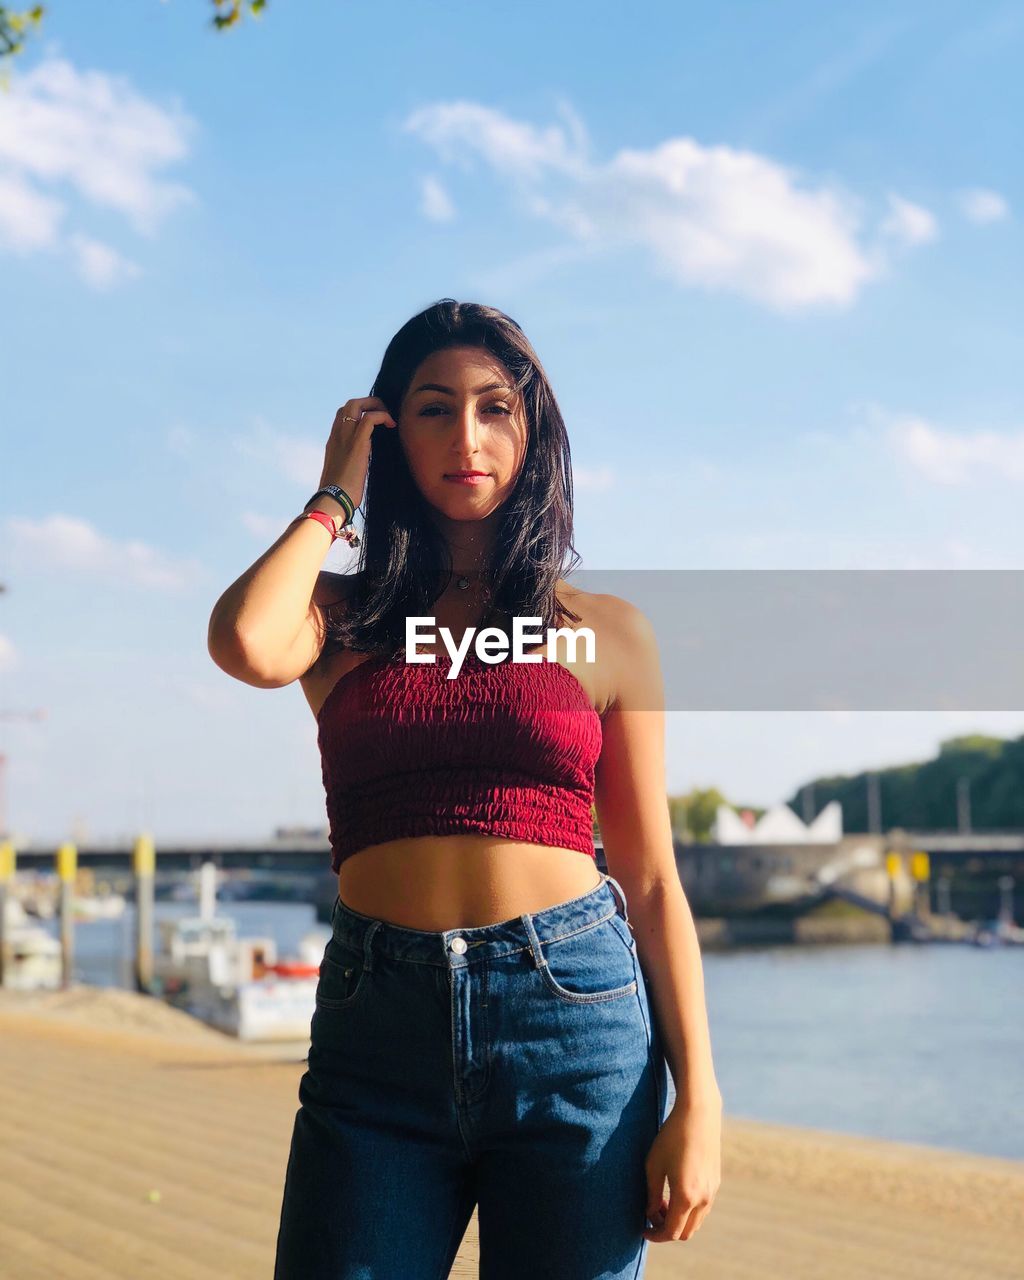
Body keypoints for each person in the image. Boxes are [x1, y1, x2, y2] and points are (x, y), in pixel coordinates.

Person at [208, 298, 722, 1278]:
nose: (468, 438)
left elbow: (652, 880)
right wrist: (332, 496)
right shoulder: (340, 615)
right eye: (434, 410)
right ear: (390, 433)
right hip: (377, 1034)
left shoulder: (605, 629)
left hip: (574, 1027)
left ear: (534, 430)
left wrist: (700, 1094)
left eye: (495, 407)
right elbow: (244, 641)